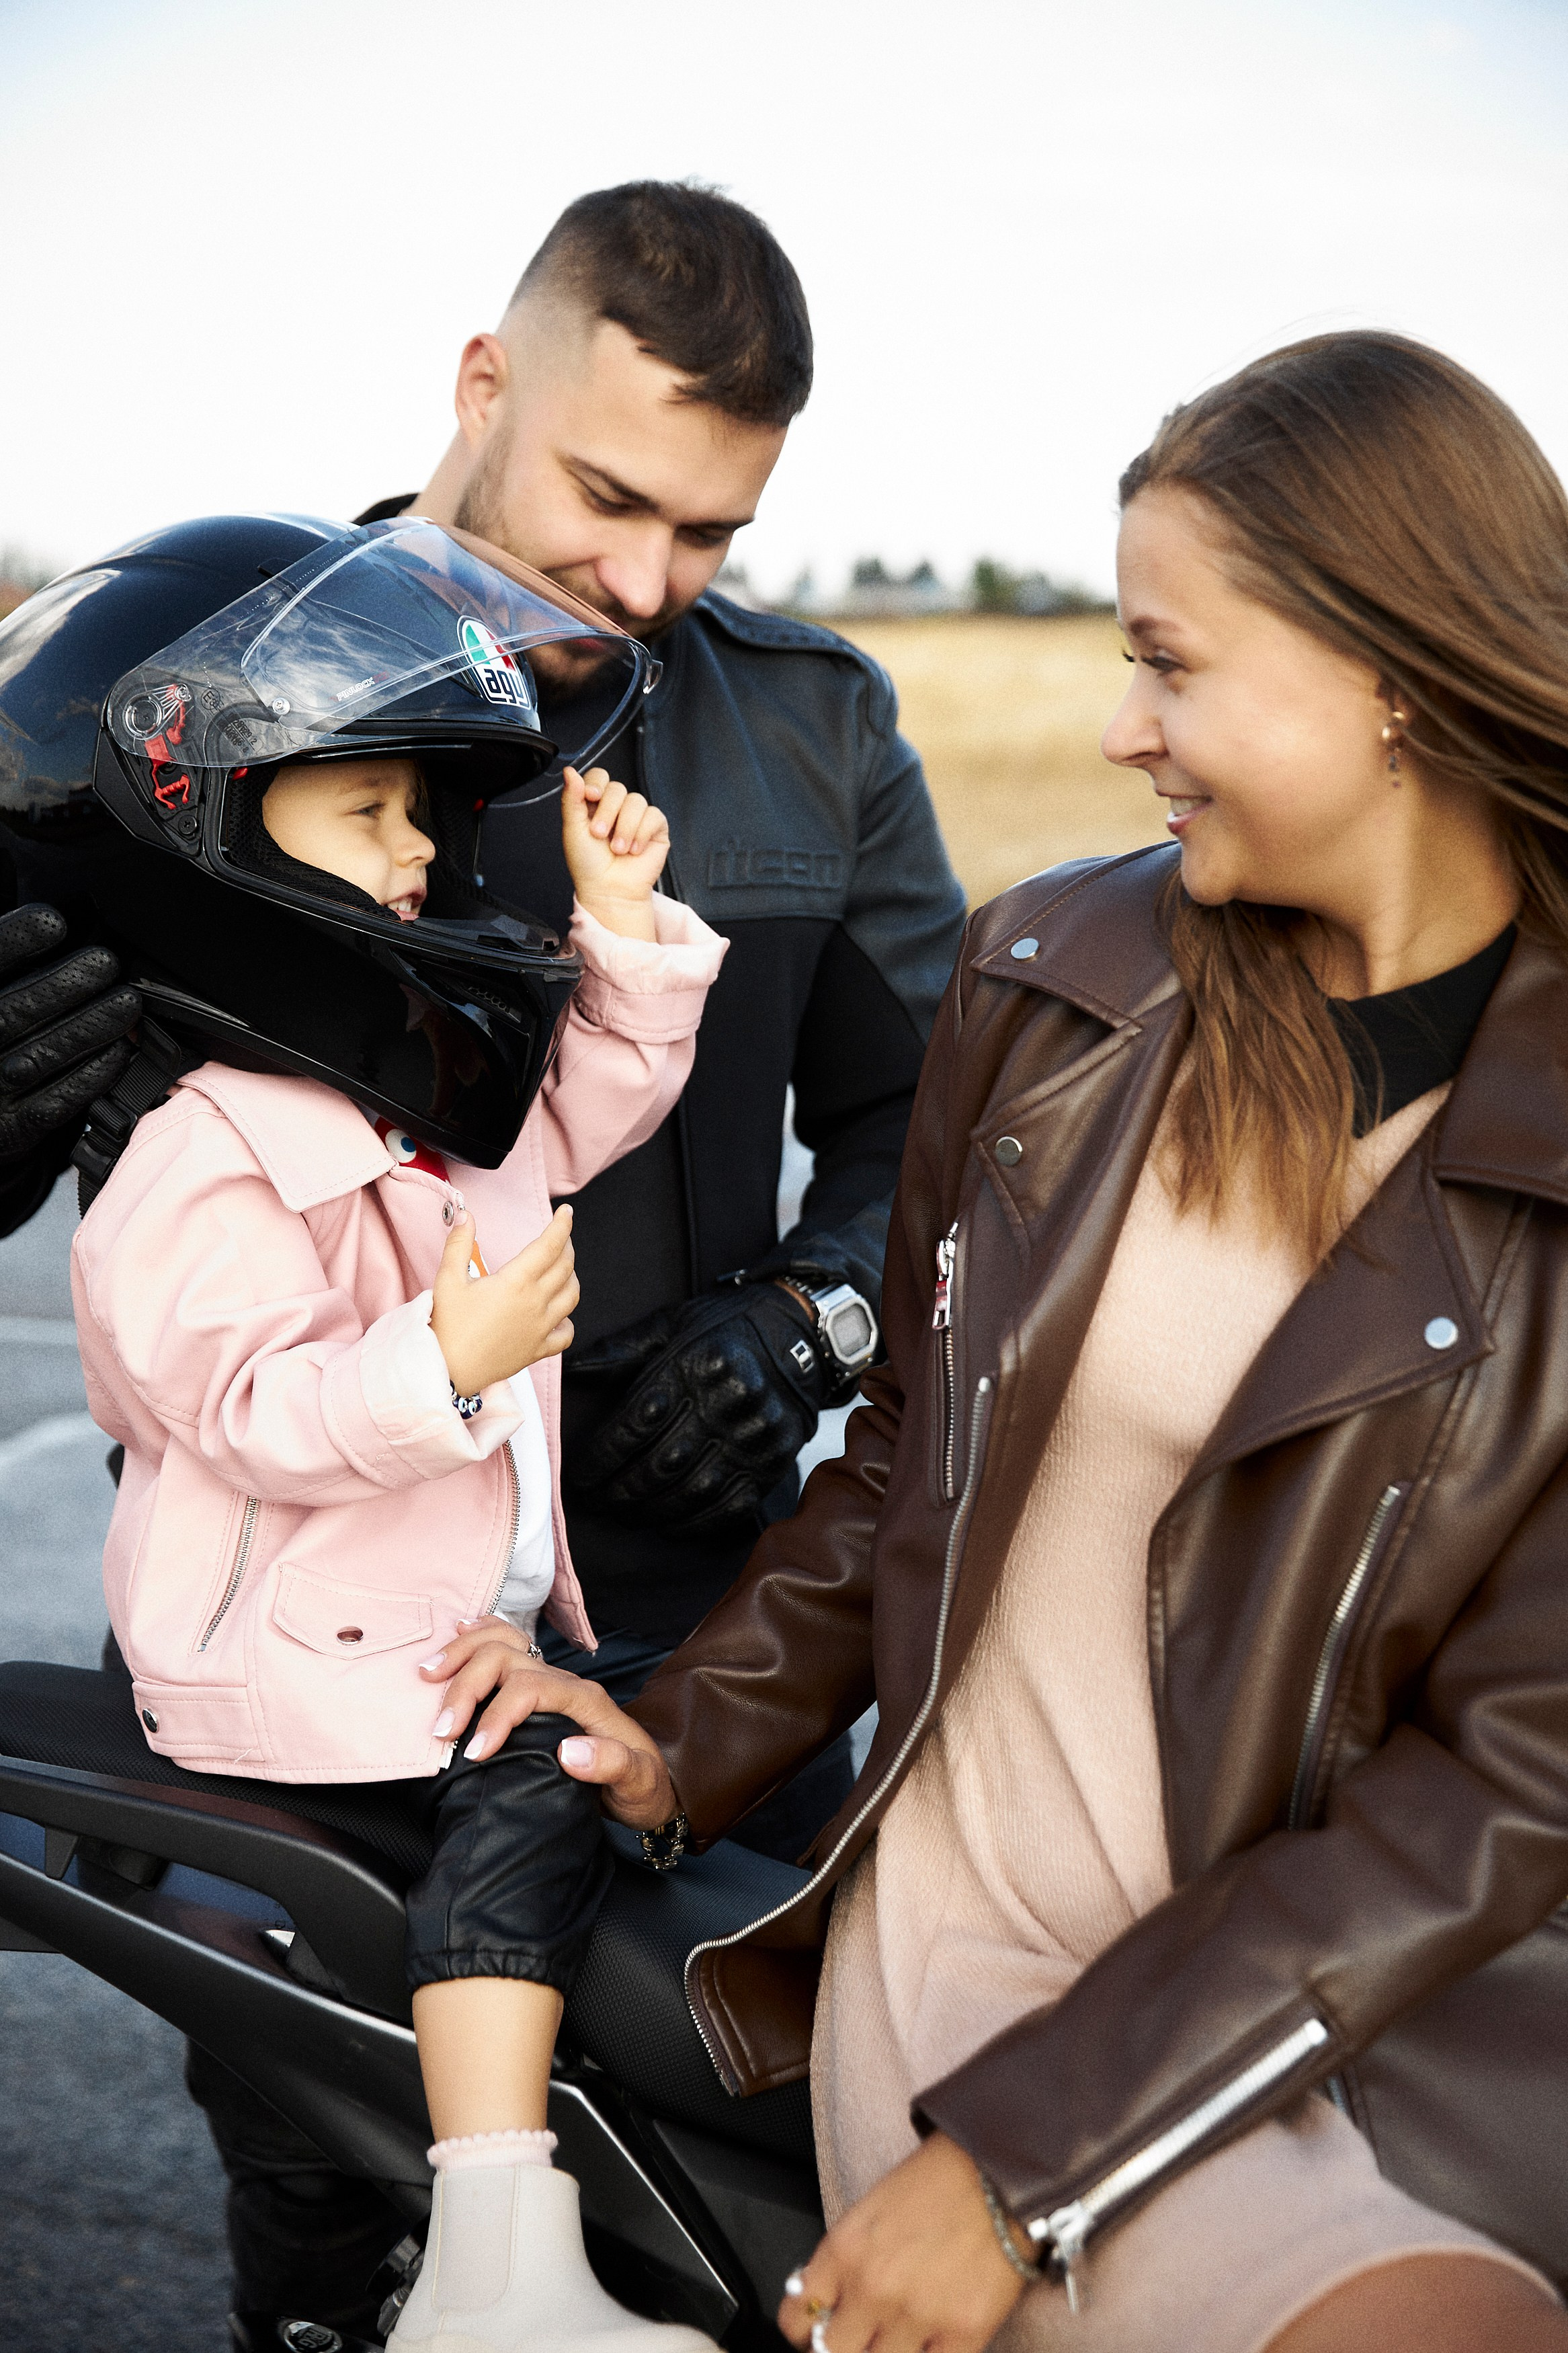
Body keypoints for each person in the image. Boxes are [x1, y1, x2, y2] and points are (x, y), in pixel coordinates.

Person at [432, 330, 1568, 2353]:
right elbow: (904, 1473)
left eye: (1172, 660)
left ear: (1393, 673)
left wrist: (1050, 2157)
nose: (1125, 724)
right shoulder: (1053, 979)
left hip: (1401, 2010)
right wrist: (682, 1732)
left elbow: (1506, 1779)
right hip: (997, 1955)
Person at [63, 516, 729, 2353]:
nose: (424, 847)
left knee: (652, 1720)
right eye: (370, 810)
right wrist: (438, 1362)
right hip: (315, 1674)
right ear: (210, 823)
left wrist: (621, 935)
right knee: (524, 1812)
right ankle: (494, 2264)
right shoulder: (198, 1151)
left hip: (428, 1632)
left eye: (419, 812)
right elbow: (248, 1405)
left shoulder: (408, 1081)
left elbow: (579, 1110)